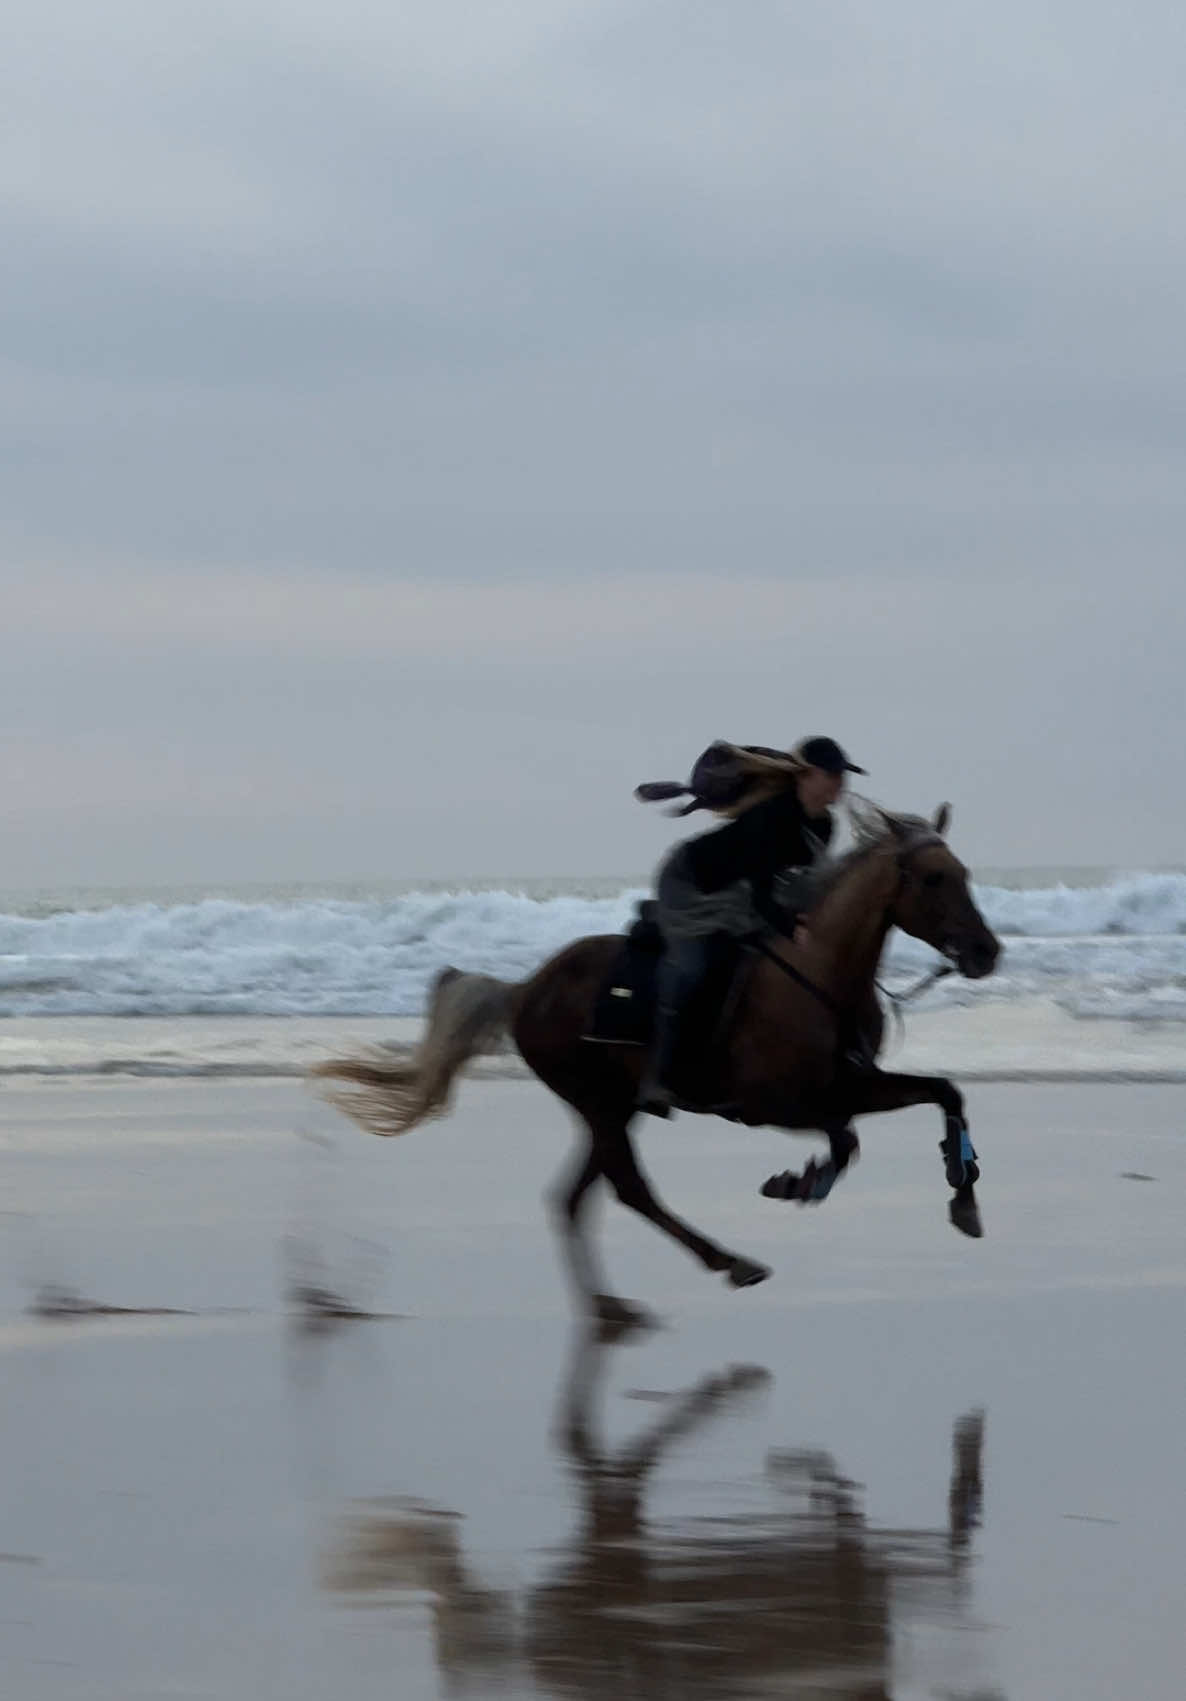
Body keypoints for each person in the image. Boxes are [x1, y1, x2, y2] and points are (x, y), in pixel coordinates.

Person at [635, 736, 866, 1117]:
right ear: (807, 776)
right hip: (691, 884)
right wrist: (793, 928)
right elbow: (760, 897)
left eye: (844, 776)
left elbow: (798, 881)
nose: (841, 784)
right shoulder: (772, 818)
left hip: (740, 890)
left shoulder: (824, 825)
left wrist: (809, 917)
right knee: (700, 966)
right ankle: (660, 1078)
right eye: (834, 774)